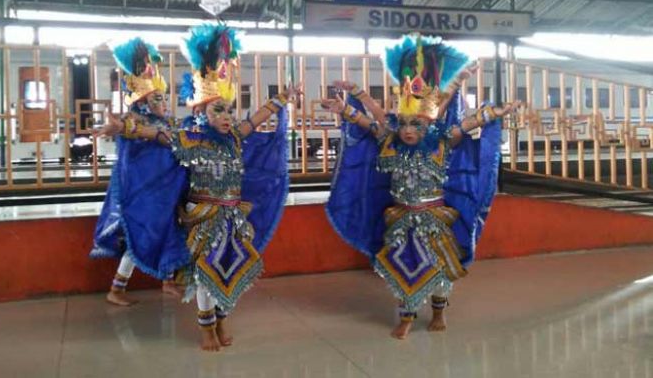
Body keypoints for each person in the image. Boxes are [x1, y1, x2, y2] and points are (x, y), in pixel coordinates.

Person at [98, 24, 300, 351]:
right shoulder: (189, 138)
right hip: (202, 220)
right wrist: (121, 126)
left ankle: (220, 321)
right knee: (205, 273)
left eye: (229, 109)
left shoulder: (235, 137)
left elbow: (257, 119)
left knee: (226, 271)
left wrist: (281, 100)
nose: (226, 115)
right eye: (217, 109)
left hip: (233, 218)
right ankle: (207, 329)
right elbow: (155, 135)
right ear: (201, 111)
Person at [324, 35, 519, 339]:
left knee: (439, 269)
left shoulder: (442, 142)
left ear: (428, 126)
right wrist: (348, 104)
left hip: (434, 220)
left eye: (416, 125)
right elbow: (369, 121)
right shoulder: (390, 142)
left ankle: (439, 312)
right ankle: (407, 315)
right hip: (400, 219)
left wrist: (495, 112)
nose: (408, 130)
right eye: (403, 124)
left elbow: (467, 125)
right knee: (400, 267)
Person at [90, 38, 188, 306]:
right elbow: (127, 129)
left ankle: (167, 281)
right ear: (144, 101)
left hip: (165, 192)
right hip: (145, 194)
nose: (164, 102)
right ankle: (117, 289)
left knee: (168, 234)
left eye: (164, 97)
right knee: (142, 238)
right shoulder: (136, 120)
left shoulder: (165, 122)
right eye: (158, 98)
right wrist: (119, 126)